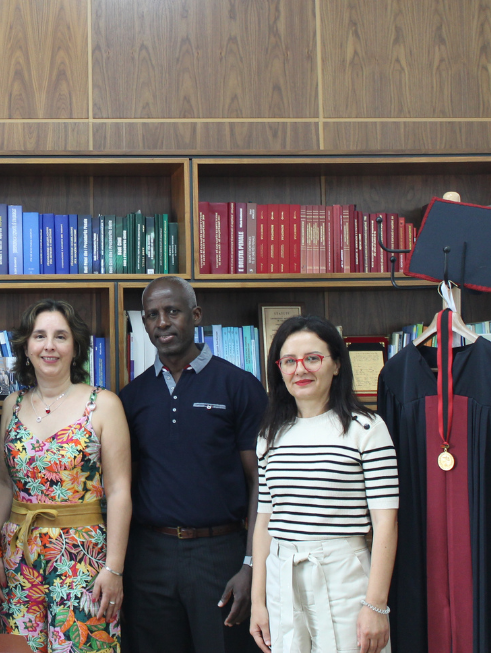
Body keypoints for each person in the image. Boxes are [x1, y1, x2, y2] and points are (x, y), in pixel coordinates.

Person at [119, 276, 266, 653]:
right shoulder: (131, 398)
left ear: (196, 315)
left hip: (220, 555)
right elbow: (122, 485)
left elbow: (260, 483)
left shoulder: (239, 386)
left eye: (172, 311)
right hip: (150, 558)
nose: (162, 322)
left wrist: (250, 565)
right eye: (152, 315)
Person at [0, 299, 131, 652]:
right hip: (18, 559)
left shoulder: (103, 404)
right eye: (40, 336)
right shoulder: (13, 405)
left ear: (76, 347)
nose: (49, 346)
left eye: (60, 336)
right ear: (26, 347)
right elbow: (4, 482)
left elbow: (120, 491)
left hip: (84, 560)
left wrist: (114, 569)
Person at [249, 316, 398, 653]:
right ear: (279, 370)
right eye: (289, 361)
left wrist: (375, 606)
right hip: (282, 576)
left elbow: (386, 522)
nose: (300, 370)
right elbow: (265, 522)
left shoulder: (367, 429)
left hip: (345, 576)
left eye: (312, 358)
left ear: (336, 365)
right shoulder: (269, 435)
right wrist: (259, 601)